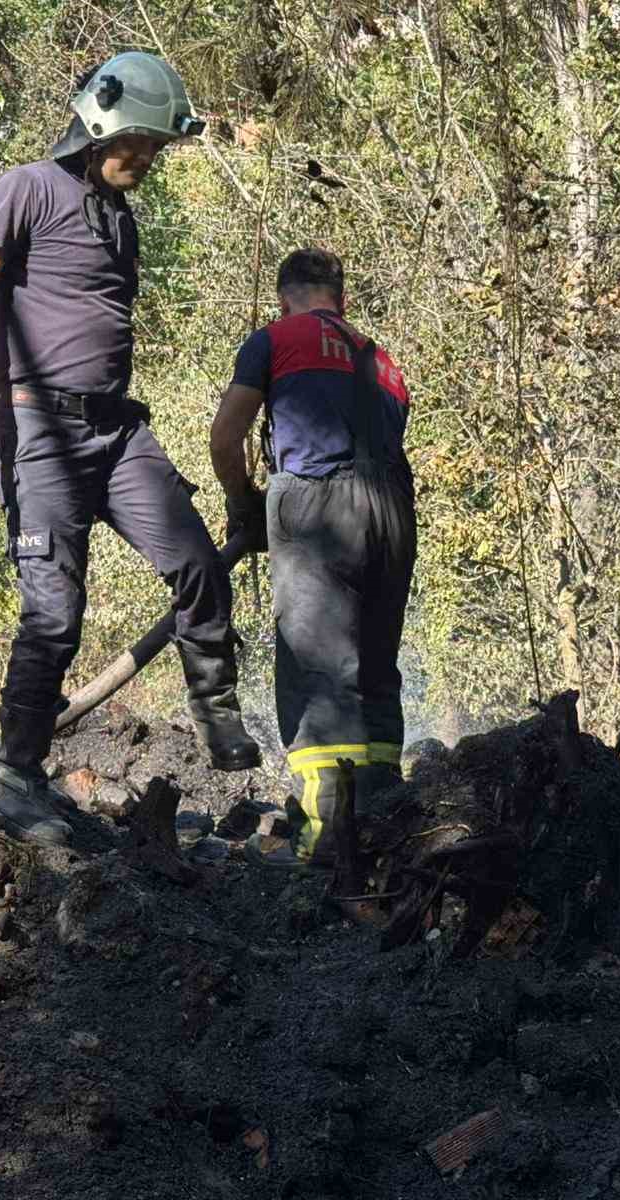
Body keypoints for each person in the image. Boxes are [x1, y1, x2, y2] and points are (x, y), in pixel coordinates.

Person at [0, 52, 260, 846]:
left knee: (196, 561)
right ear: (98, 120)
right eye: (139, 142)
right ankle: (16, 782)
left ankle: (216, 711)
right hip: (38, 426)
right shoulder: (27, 189)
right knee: (54, 612)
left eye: (156, 148)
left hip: (118, 430)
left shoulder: (120, 216)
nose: (146, 159)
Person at [210, 248, 417, 867]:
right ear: (342, 300)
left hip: (316, 504)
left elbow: (228, 435)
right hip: (393, 511)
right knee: (376, 666)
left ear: (284, 298)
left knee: (317, 669)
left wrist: (244, 503)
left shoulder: (274, 340)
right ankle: (381, 821)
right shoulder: (380, 359)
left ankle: (324, 841)